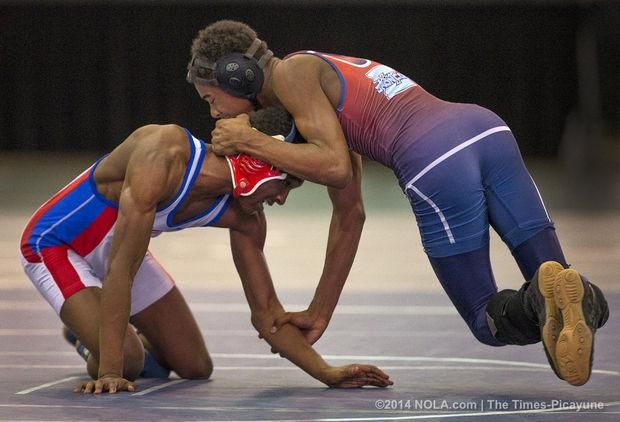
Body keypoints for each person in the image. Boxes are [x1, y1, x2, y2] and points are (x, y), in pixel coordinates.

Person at [187, 20, 609, 387]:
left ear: (237, 74)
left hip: (435, 160)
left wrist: (249, 140)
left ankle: (540, 297)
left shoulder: (293, 75)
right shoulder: (318, 81)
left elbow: (333, 168)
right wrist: (320, 312)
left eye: (211, 100)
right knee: (568, 291)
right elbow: (350, 214)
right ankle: (566, 294)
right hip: (486, 130)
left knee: (485, 320)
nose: (215, 114)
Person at [18, 106, 393, 394]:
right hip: (58, 245)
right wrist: (111, 371)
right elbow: (120, 270)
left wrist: (326, 372)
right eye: (285, 186)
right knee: (126, 361)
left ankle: (97, 323)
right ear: (258, 164)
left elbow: (267, 315)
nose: (280, 199)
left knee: (195, 366)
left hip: (122, 251)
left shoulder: (246, 219)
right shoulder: (163, 152)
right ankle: (92, 336)